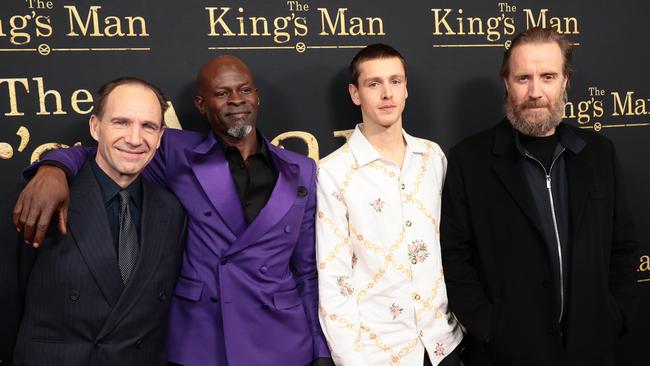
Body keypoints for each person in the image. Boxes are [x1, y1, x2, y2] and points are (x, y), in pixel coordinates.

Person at [13, 56, 331, 365]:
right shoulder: (176, 151)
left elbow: (305, 270)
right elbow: (104, 154)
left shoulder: (300, 169)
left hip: (282, 339)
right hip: (202, 338)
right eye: (222, 93)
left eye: (245, 90)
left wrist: (320, 350)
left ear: (257, 96)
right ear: (201, 105)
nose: (236, 100)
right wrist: (53, 169)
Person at [440, 26, 638, 365]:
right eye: (523, 78)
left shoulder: (599, 153)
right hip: (506, 353)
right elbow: (455, 258)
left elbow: (623, 246)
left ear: (565, 81)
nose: (535, 91)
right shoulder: (469, 160)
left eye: (547, 76)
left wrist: (613, 316)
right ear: (506, 82)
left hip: (591, 350)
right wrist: (488, 329)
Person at [12, 77, 187, 365]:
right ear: (95, 127)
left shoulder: (172, 211)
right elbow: (9, 295)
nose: (134, 138)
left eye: (148, 126)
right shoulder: (43, 196)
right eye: (120, 122)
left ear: (160, 136)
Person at [316, 44, 463, 366]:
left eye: (395, 81)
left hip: (444, 345)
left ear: (406, 89)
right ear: (355, 94)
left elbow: (454, 247)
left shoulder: (432, 157)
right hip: (378, 353)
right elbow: (334, 277)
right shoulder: (333, 173)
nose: (387, 93)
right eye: (374, 84)